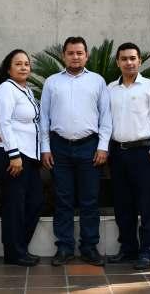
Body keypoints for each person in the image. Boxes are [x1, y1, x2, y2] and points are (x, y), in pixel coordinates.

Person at [41, 36, 112, 267]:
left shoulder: (98, 81)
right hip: (59, 147)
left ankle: (89, 247)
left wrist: (103, 146)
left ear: (86, 55)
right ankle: (64, 247)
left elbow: (106, 116)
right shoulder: (52, 82)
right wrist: (45, 148)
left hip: (89, 147)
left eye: (79, 53)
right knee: (63, 199)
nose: (75, 57)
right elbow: (44, 118)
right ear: (63, 55)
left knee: (89, 200)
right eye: (71, 53)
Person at [107, 42, 150, 270]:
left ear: (140, 61)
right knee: (122, 205)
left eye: (133, 58)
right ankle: (128, 249)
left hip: (143, 153)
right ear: (118, 62)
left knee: (146, 205)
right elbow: (106, 123)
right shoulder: (110, 89)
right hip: (117, 153)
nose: (129, 62)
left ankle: (148, 251)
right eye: (124, 59)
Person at [0, 49, 43, 267]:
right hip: (12, 154)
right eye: (18, 64)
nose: (23, 67)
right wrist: (14, 154)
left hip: (28, 155)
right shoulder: (6, 89)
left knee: (34, 201)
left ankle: (20, 247)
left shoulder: (26, 90)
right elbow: (4, 123)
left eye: (26, 64)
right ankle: (14, 253)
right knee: (15, 205)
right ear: (8, 68)